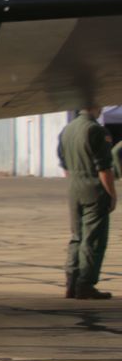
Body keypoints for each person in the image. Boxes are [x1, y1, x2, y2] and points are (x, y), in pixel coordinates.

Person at [58, 106, 115, 300]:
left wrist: (76, 182)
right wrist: (112, 194)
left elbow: (64, 165)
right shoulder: (95, 130)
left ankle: (71, 283)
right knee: (93, 239)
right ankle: (85, 284)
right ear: (94, 107)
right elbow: (104, 169)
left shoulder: (67, 129)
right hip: (94, 190)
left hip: (74, 188)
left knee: (77, 236)